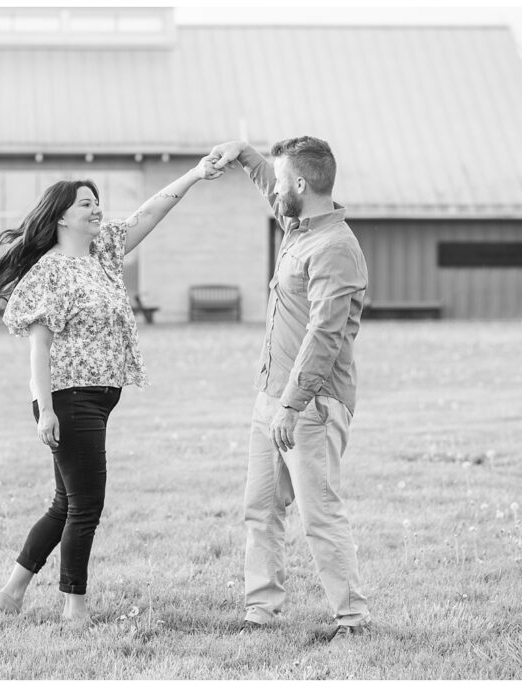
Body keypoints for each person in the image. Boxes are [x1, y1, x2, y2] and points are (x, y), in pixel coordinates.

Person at [0, 157, 222, 624]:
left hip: (99, 396)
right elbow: (39, 346)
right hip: (69, 399)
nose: (97, 210)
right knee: (86, 506)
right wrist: (44, 409)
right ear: (61, 216)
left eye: (98, 203)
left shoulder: (104, 254)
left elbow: (152, 211)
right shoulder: (50, 272)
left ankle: (11, 592)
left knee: (66, 504)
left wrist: (196, 173)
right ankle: (74, 607)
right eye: (85, 204)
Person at [209, 137, 371, 642]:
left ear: (301, 185)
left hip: (311, 404)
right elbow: (271, 188)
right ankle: (261, 609)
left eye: (282, 180)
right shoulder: (299, 230)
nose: (275, 189)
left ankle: (352, 618)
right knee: (260, 507)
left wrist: (290, 405)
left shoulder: (336, 248)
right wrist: (244, 155)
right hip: (272, 397)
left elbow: (323, 336)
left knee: (319, 513)